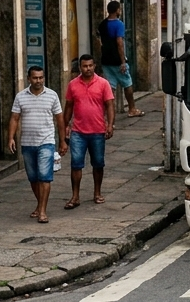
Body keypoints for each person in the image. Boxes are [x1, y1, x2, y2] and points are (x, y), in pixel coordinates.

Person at [8, 66, 67, 224]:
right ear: (29, 79)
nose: (38, 81)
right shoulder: (20, 97)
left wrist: (62, 141)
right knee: (33, 178)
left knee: (45, 177)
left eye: (41, 77)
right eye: (35, 78)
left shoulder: (52, 95)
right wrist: (11, 138)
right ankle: (39, 204)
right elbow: (14, 118)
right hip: (27, 143)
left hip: (46, 141)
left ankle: (42, 211)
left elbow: (60, 119)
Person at [63, 55, 115, 209]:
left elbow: (110, 105)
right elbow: (68, 107)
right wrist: (65, 126)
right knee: (76, 164)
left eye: (90, 66)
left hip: (98, 131)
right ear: (80, 67)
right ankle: (75, 196)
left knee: (98, 163)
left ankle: (97, 192)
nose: (88, 69)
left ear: (94, 66)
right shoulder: (73, 85)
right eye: (85, 66)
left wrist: (110, 125)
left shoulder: (103, 84)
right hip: (78, 132)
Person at [98, 0, 142, 117]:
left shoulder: (102, 24)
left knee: (109, 89)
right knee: (127, 84)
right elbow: (119, 43)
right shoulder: (119, 24)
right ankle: (132, 109)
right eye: (119, 9)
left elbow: (100, 42)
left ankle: (107, 115)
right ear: (117, 10)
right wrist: (123, 62)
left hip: (106, 60)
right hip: (117, 60)